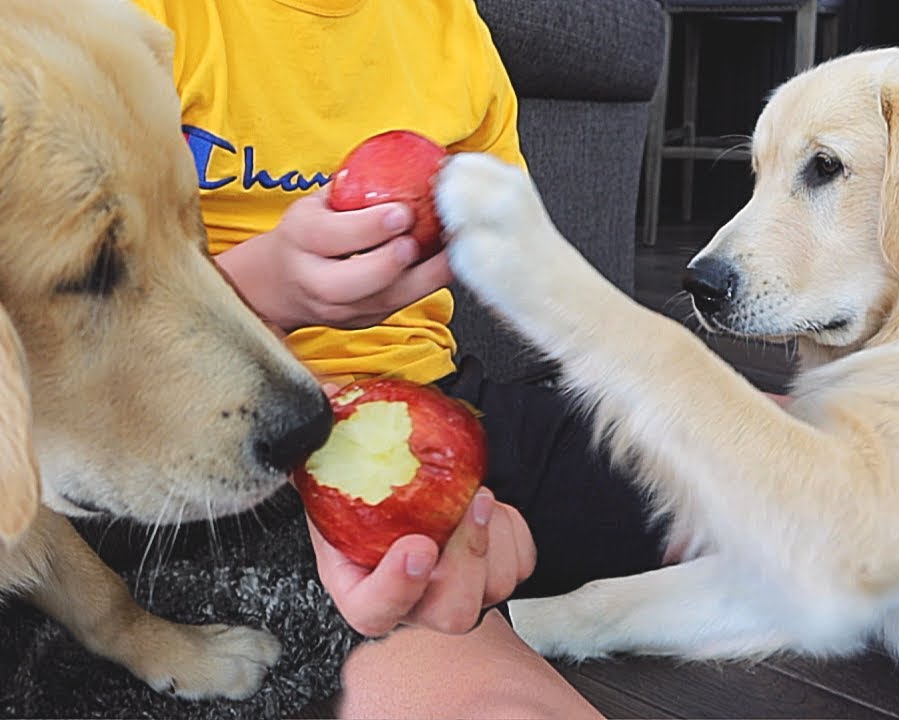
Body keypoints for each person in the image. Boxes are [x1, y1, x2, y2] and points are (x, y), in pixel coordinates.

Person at [130, 0, 669, 715]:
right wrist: (268, 293)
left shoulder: (450, 27)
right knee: (462, 666)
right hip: (238, 430)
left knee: (747, 461)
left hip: (441, 399)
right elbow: (78, 315)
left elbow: (511, 252)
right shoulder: (140, 22)